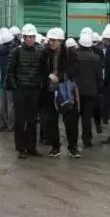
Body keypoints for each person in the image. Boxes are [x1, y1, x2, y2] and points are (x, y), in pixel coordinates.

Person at [40, 28, 78, 157]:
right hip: (50, 91)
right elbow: (41, 70)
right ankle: (55, 147)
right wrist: (48, 76)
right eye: (50, 40)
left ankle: (73, 148)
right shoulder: (45, 53)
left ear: (61, 41)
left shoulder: (70, 53)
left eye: (54, 40)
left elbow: (76, 69)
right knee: (51, 121)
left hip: (66, 92)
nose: (51, 42)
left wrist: (62, 76)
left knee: (70, 121)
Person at [8, 25, 44, 158]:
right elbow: (10, 72)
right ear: (24, 37)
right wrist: (16, 89)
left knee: (32, 121)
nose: (31, 39)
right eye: (29, 37)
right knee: (20, 121)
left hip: (34, 91)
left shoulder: (39, 52)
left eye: (33, 37)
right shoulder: (15, 52)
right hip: (21, 91)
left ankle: (31, 147)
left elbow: (42, 70)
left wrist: (39, 85)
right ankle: (20, 148)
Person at [73, 30, 103, 150]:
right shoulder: (96, 58)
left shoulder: (73, 57)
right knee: (87, 116)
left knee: (74, 116)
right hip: (91, 91)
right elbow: (99, 77)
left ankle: (73, 141)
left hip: (76, 91)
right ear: (90, 46)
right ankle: (87, 139)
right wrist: (100, 91)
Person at [0, 28, 16, 132]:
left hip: (0, 81)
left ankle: (0, 124)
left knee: (1, 105)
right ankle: (11, 125)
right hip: (10, 82)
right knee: (11, 104)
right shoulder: (14, 52)